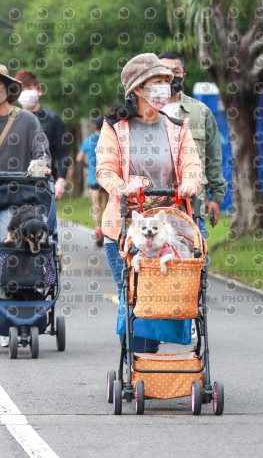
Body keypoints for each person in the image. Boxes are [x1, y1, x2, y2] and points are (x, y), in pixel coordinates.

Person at [95, 53, 202, 353]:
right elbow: (105, 169)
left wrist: (190, 182)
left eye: (167, 82)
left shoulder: (178, 127)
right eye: (158, 82)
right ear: (138, 89)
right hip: (124, 227)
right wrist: (123, 187)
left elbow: (191, 162)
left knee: (163, 293)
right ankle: (136, 361)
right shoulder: (114, 128)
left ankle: (147, 357)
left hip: (167, 225)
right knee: (131, 294)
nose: (165, 89)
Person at [0, 64, 51, 347]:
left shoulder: (27, 121)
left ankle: (12, 317)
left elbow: (41, 153)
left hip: (17, 202)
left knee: (8, 241)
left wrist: (42, 166)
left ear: (9, 89)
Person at [158, 51, 227, 240]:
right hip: (151, 205)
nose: (170, 76)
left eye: (176, 71)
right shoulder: (143, 110)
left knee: (196, 262)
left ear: (183, 75)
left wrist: (216, 199)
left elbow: (213, 157)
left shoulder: (200, 111)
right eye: (164, 71)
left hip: (193, 204)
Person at [15, 70, 69, 200]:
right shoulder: (11, 120)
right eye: (21, 90)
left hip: (44, 182)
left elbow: (63, 154)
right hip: (14, 182)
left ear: (39, 90)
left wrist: (61, 181)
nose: (25, 93)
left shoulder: (53, 119)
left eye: (29, 88)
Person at [76, 117, 108, 247]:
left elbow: (79, 158)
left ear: (95, 127)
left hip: (93, 178)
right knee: (107, 204)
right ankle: (106, 229)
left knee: (96, 206)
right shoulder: (108, 140)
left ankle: (97, 228)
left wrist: (87, 166)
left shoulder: (89, 140)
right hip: (106, 178)